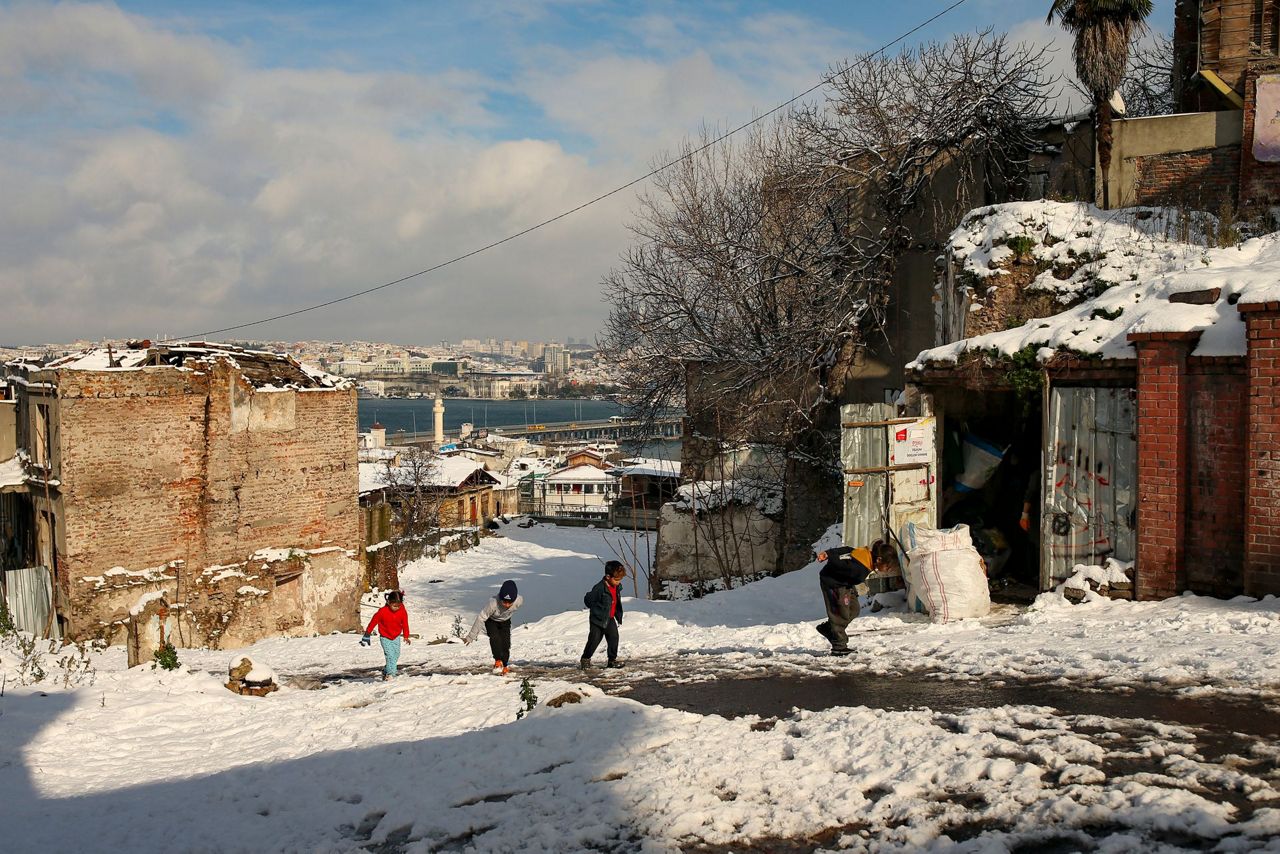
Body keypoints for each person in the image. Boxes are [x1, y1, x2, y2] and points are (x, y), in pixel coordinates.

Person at [815, 543, 897, 656]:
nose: (887, 570)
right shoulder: (859, 569)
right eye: (887, 566)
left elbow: (847, 550)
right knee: (840, 614)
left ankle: (829, 628)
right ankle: (839, 647)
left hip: (845, 583)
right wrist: (829, 556)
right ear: (879, 559)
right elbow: (839, 564)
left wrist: (828, 553)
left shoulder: (865, 555)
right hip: (833, 584)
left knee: (854, 609)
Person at [464, 580, 523, 675]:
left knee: (506, 643)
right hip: (491, 621)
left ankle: (505, 665)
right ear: (500, 598)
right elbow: (481, 618)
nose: (507, 605)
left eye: (510, 603)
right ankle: (497, 661)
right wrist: (471, 637)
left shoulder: (519, 601)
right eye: (504, 602)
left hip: (505, 622)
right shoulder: (493, 603)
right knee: (495, 638)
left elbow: (510, 610)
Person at [580, 561, 627, 670]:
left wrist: (617, 614)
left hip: (609, 618)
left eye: (620, 580)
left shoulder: (616, 587)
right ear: (607, 577)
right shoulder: (599, 588)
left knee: (614, 637)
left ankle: (612, 660)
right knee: (594, 639)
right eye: (616, 579)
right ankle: (585, 659)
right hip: (598, 619)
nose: (618, 582)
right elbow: (588, 600)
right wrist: (595, 607)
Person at [361, 590, 411, 680]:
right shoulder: (382, 611)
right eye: (394, 606)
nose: (396, 608)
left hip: (396, 637)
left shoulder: (402, 611)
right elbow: (373, 621)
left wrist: (406, 636)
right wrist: (367, 633)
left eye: (398, 605)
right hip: (385, 637)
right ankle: (391, 674)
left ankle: (385, 670)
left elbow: (405, 623)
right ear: (388, 602)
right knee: (390, 655)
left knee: (396, 654)